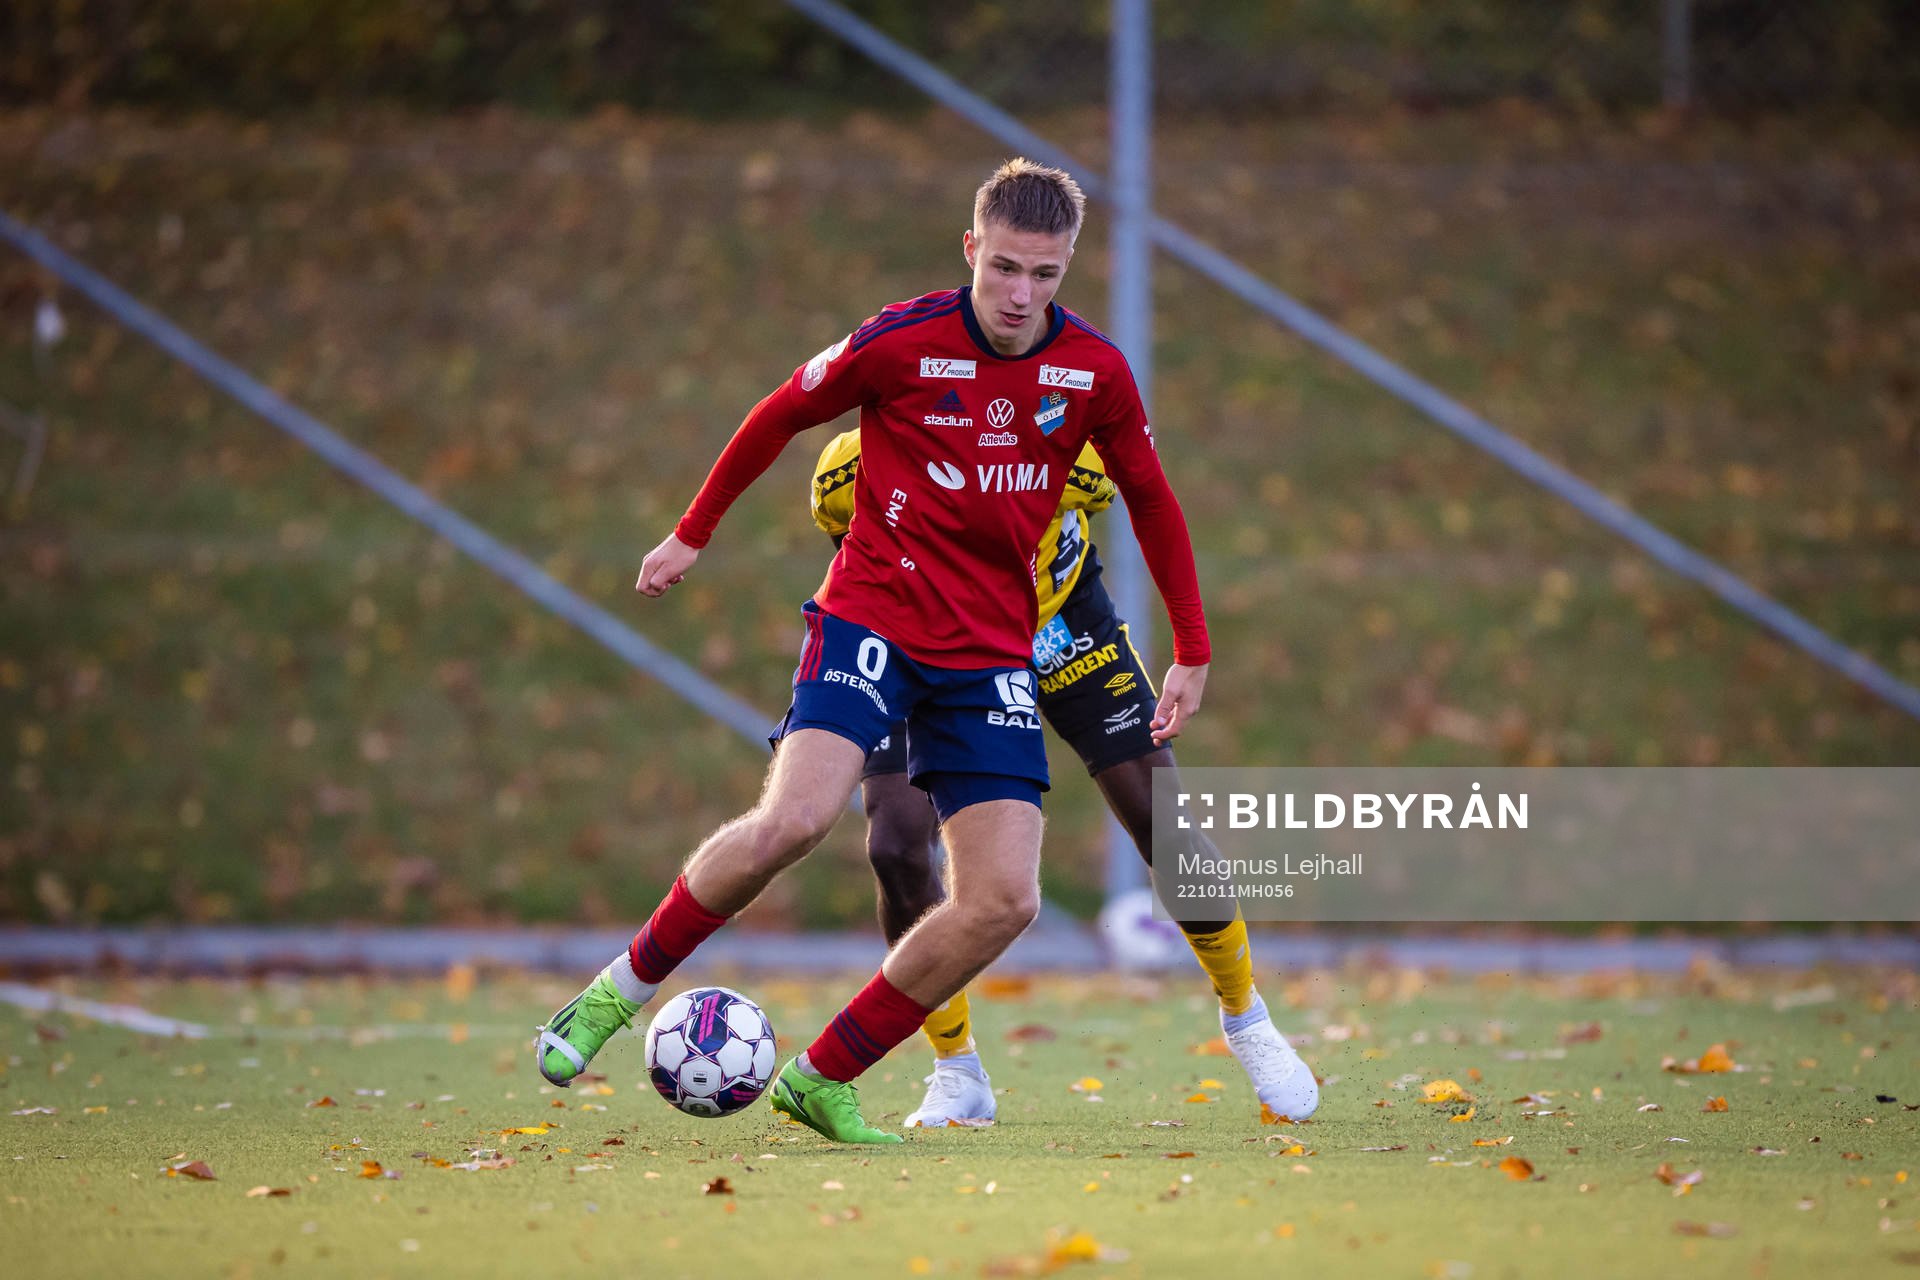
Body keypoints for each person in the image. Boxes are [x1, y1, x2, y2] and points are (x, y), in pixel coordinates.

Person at [537, 158, 1218, 1144]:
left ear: (1067, 267)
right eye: (1006, 268)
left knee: (1005, 900)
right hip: (873, 621)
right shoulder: (901, 341)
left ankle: (822, 1076)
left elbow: (1150, 498)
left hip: (989, 649)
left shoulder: (1094, 371)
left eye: (1045, 274)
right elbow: (779, 412)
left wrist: (1192, 646)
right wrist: (692, 532)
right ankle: (612, 993)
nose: (1021, 294)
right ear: (971, 249)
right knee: (794, 821)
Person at [810, 428, 1318, 1127]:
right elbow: (850, 556)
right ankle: (956, 1067)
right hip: (923, 638)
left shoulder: (1067, 450)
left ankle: (1246, 1017)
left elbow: (1151, 505)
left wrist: (1191, 644)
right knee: (895, 843)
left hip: (1056, 623)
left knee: (1162, 821)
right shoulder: (852, 467)